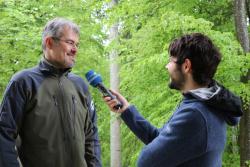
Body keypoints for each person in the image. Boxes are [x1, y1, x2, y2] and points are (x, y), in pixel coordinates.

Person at [104, 33, 243, 167]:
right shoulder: (208, 104)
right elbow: (160, 141)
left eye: (171, 60)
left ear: (186, 66)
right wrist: (127, 110)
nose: (167, 66)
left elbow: (146, 162)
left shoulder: (196, 114)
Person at [0, 18, 102, 167]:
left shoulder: (80, 86)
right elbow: (4, 135)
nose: (75, 49)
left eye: (77, 44)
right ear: (49, 42)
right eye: (70, 42)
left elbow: (91, 138)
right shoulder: (23, 82)